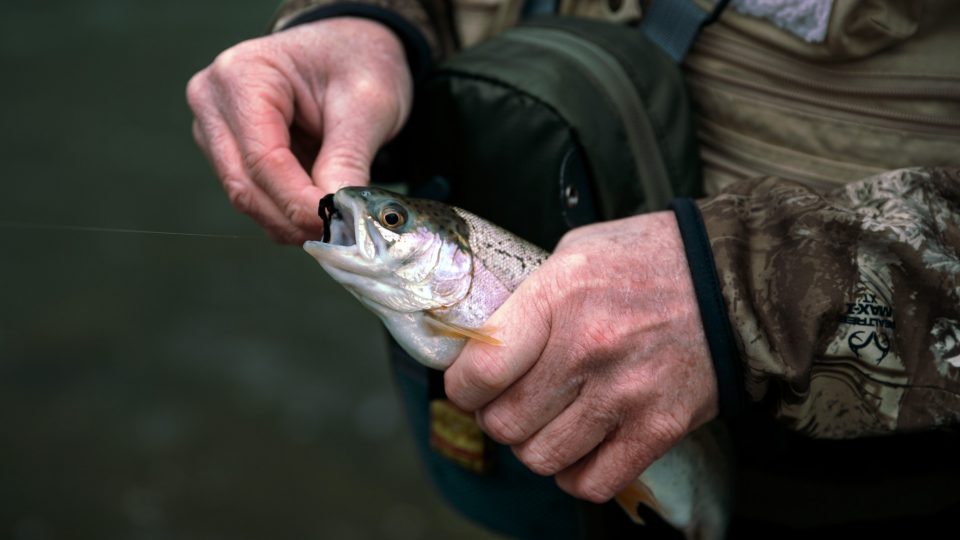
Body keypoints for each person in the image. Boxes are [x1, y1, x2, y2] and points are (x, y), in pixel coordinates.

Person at [187, 0, 960, 535]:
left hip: (875, 466)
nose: (375, 225)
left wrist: (747, 290)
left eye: (392, 224)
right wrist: (365, 20)